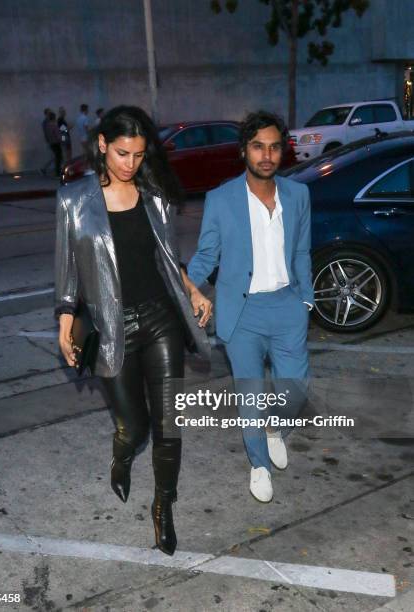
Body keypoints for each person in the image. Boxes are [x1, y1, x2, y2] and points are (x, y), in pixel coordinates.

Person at [55, 105, 212, 555]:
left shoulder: (154, 196)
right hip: (111, 327)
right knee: (136, 427)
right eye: (123, 153)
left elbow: (167, 257)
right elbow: (66, 274)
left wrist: (194, 292)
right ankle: (122, 454)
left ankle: (163, 506)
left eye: (140, 155)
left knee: (168, 425)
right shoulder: (73, 200)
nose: (131, 164)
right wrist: (65, 325)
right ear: (102, 144)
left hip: (160, 318)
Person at [187, 110, 313, 503]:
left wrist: (305, 299)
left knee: (294, 393)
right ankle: (258, 464)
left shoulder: (299, 195)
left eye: (274, 147)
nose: (266, 155)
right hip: (242, 314)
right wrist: (190, 286)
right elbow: (206, 256)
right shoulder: (221, 199)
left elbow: (303, 251)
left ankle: (277, 429)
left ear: (282, 152)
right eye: (258, 146)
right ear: (244, 150)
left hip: (288, 307)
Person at [45, 111, 63, 177]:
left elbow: (47, 134)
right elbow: (58, 135)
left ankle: (57, 171)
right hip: (56, 143)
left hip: (51, 143)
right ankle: (57, 172)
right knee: (59, 157)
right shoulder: (54, 125)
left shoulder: (47, 125)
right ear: (54, 117)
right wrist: (62, 139)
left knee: (57, 157)